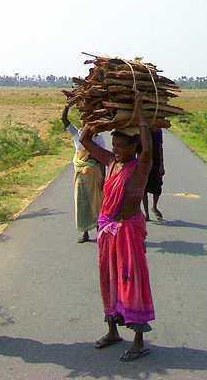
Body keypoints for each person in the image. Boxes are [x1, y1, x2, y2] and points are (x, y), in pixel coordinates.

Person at [80, 91, 155, 362]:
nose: (116, 149)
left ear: (133, 147)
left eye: (122, 145)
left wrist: (141, 117)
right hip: (107, 230)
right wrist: (92, 126)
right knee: (109, 279)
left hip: (127, 230)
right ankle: (112, 330)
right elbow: (86, 142)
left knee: (130, 281)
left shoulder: (140, 166)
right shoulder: (111, 163)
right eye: (114, 144)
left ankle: (138, 339)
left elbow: (147, 150)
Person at [61, 105, 106, 243]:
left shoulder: (98, 139)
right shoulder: (77, 134)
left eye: (89, 123)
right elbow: (64, 119)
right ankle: (85, 232)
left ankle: (100, 231)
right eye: (84, 122)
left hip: (95, 175)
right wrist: (67, 106)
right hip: (80, 174)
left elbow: (102, 159)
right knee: (81, 202)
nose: (86, 125)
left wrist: (104, 178)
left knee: (97, 202)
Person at [143, 128, 164, 221]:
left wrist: (161, 164)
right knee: (143, 189)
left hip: (156, 161)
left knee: (157, 188)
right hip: (143, 162)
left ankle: (154, 207)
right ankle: (146, 213)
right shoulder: (142, 129)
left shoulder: (158, 130)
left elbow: (160, 147)